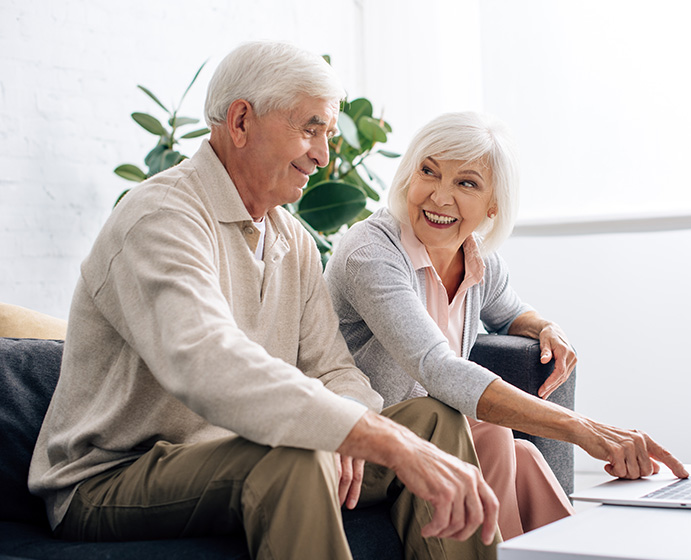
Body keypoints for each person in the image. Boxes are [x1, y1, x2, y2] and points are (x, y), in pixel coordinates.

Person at [28, 43, 501, 559]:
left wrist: (347, 420)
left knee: (434, 422)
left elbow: (332, 368)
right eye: (310, 129)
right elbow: (208, 362)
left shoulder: (291, 240)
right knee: (292, 459)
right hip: (110, 480)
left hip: (236, 453)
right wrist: (366, 434)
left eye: (328, 136)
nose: (322, 155)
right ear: (240, 122)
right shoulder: (162, 218)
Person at [324, 111, 690, 539]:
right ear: (409, 175)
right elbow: (437, 367)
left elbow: (511, 312)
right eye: (429, 172)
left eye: (466, 183)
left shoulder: (477, 259)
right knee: (495, 435)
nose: (439, 198)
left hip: (437, 439)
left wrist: (543, 326)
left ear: (492, 204)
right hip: (360, 446)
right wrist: (583, 430)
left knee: (526, 458)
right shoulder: (371, 253)